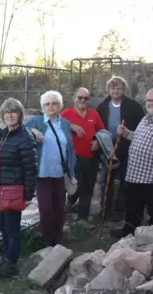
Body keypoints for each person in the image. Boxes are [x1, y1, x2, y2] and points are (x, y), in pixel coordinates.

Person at [110, 88, 153, 238]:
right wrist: (126, 133)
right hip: (136, 174)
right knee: (133, 207)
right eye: (149, 100)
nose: (152, 103)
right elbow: (139, 138)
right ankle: (129, 233)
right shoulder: (146, 118)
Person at [0, 98, 38, 278]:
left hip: (13, 190)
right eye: (7, 112)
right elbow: (7, 138)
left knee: (12, 228)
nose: (10, 115)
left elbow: (31, 169)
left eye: (13, 112)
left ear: (20, 114)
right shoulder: (7, 134)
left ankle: (11, 265)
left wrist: (27, 196)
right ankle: (7, 257)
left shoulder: (25, 137)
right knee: (3, 226)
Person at [25, 90, 76, 247]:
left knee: (59, 208)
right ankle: (47, 241)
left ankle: (58, 239)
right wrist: (32, 130)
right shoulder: (36, 121)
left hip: (60, 173)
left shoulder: (65, 124)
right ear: (43, 106)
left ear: (59, 105)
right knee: (45, 209)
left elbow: (70, 149)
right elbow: (19, 131)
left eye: (54, 103)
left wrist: (72, 171)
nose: (51, 106)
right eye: (47, 104)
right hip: (42, 173)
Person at [96, 76, 145, 221]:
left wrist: (128, 133)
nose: (116, 91)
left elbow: (142, 126)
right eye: (113, 88)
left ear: (123, 90)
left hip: (127, 149)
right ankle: (105, 209)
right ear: (109, 90)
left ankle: (119, 210)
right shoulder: (103, 106)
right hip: (108, 150)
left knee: (125, 181)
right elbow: (96, 126)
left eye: (119, 88)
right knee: (106, 180)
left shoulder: (134, 106)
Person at [61, 87, 105, 224]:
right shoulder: (66, 114)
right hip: (73, 159)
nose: (82, 100)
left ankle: (82, 219)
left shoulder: (94, 114)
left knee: (89, 188)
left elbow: (102, 131)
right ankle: (70, 201)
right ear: (74, 98)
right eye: (80, 97)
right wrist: (71, 126)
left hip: (92, 157)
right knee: (78, 187)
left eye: (85, 98)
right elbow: (54, 127)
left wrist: (98, 140)